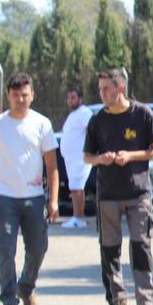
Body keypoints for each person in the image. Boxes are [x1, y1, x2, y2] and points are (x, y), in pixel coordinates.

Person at [0, 73, 59, 305]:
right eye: (15, 95)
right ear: (8, 96)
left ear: (32, 95)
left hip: (34, 198)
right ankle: (9, 303)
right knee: (5, 250)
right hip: (5, 197)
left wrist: (53, 199)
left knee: (38, 247)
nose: (20, 99)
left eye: (25, 94)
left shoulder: (42, 124)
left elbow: (52, 165)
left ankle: (26, 286)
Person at [83, 68, 153, 305]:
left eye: (106, 88)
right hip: (108, 194)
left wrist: (131, 156)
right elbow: (87, 156)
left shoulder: (142, 114)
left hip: (138, 193)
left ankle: (146, 303)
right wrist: (101, 159)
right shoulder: (97, 120)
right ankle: (117, 303)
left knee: (141, 245)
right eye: (100, 89)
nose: (102, 93)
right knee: (109, 250)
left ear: (120, 88)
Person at [59, 87, 93, 228]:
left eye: (73, 97)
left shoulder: (84, 113)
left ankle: (78, 218)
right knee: (75, 188)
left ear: (80, 99)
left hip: (80, 158)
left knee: (77, 188)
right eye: (68, 98)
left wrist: (90, 151)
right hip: (71, 159)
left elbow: (92, 130)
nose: (70, 100)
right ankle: (77, 216)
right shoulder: (73, 115)